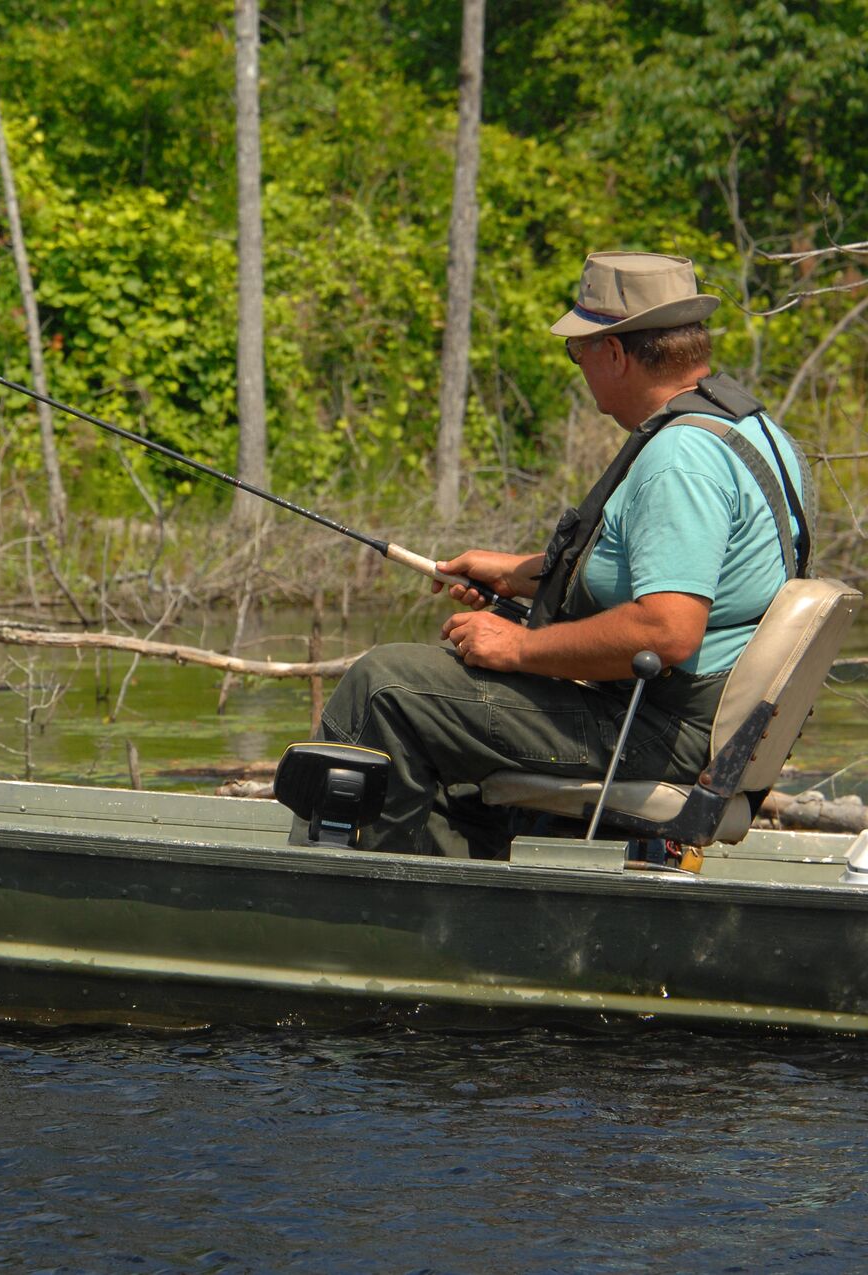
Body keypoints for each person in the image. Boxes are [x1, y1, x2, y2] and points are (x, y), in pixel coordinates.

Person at [315, 251, 809, 857]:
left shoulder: (679, 461)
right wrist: (525, 576)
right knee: (440, 710)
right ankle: (464, 889)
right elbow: (690, 569)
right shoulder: (753, 431)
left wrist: (517, 646)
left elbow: (667, 631)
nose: (579, 364)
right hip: (709, 725)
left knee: (384, 685)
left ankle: (357, 902)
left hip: (666, 730)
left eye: (578, 351)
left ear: (615, 353)